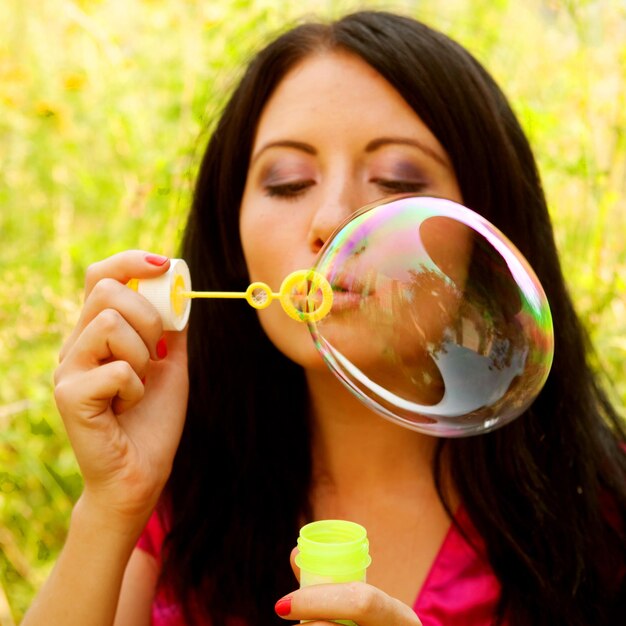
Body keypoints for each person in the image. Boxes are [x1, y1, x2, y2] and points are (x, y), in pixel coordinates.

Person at [22, 10, 625, 626]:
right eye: (287, 182)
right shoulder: (181, 498)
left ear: (487, 238)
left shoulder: (604, 518)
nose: (331, 219)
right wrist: (112, 501)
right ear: (232, 237)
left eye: (396, 181)